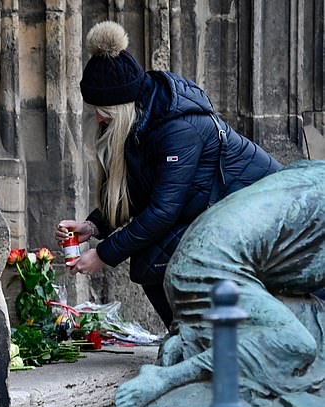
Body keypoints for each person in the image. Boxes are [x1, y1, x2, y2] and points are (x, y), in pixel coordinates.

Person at [55, 21, 281, 327]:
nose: (97, 117)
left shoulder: (178, 129)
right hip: (218, 211)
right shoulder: (145, 120)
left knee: (153, 258)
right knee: (151, 258)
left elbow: (163, 210)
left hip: (267, 214)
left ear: (122, 106)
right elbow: (142, 190)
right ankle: (186, 338)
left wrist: (103, 255)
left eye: (103, 111)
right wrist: (93, 226)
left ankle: (190, 338)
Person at [113, 160, 325, 407]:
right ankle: (164, 379)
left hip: (195, 258)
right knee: (298, 344)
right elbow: (307, 273)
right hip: (213, 271)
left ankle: (192, 341)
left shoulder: (313, 172)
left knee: (309, 315)